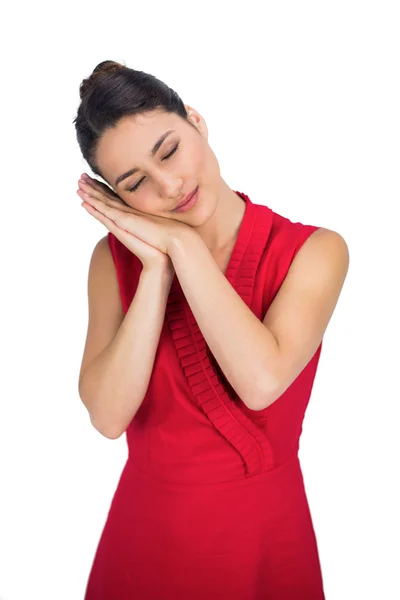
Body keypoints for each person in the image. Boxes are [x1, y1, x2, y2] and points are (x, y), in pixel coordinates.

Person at [74, 60, 349, 600]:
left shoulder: (314, 251)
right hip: (143, 544)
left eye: (170, 150)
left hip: (267, 540)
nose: (170, 186)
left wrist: (180, 245)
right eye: (135, 184)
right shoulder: (113, 263)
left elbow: (261, 380)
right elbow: (107, 417)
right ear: (120, 199)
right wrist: (156, 269)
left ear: (196, 122)